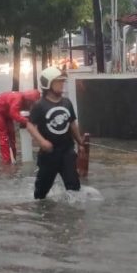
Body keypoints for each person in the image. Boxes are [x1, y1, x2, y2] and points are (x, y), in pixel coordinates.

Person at [26, 67, 86, 200]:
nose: (62, 84)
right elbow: (30, 126)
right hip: (49, 155)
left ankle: (75, 217)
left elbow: (72, 123)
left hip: (67, 151)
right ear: (48, 84)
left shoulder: (66, 102)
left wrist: (80, 143)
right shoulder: (39, 105)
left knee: (74, 187)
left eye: (62, 82)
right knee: (40, 194)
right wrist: (42, 142)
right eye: (58, 82)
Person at [0, 88, 41, 164]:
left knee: (12, 135)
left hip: (6, 112)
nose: (32, 105)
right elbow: (14, 114)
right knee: (4, 136)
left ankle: (13, 158)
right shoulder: (18, 98)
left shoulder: (26, 100)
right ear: (29, 100)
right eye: (32, 103)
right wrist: (27, 121)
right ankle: (7, 161)